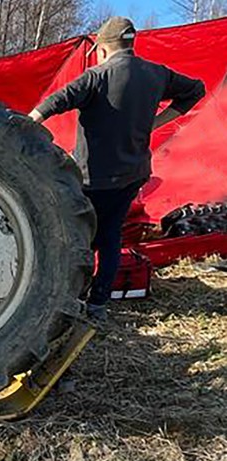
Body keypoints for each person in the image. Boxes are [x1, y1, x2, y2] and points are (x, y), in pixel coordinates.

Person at [28, 17, 205, 321]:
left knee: (78, 240)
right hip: (131, 175)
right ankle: (98, 305)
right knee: (110, 238)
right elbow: (196, 90)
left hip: (91, 178)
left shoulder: (98, 76)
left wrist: (25, 123)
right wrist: (156, 123)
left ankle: (68, 300)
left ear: (103, 49)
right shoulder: (156, 74)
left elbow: (58, 100)